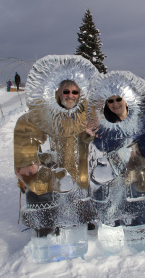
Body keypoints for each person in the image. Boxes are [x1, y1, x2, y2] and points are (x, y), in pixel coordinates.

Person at [13, 55, 98, 261]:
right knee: (46, 224)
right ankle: (46, 235)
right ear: (57, 93)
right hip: (48, 183)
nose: (70, 95)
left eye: (75, 92)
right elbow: (25, 161)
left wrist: (91, 133)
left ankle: (79, 222)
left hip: (79, 182)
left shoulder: (87, 118)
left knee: (78, 217)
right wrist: (49, 177)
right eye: (66, 91)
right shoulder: (35, 119)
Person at [86, 71, 145, 252]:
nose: (115, 104)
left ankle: (137, 247)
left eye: (118, 99)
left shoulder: (143, 118)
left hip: (141, 173)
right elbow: (101, 147)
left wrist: (143, 146)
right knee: (114, 209)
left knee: (138, 210)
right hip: (116, 176)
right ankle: (114, 247)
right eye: (110, 101)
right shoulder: (104, 124)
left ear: (126, 99)